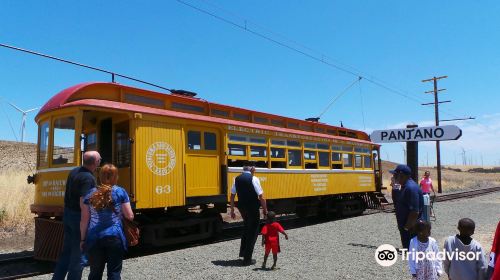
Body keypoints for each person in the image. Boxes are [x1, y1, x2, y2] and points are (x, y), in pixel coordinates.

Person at [80, 163, 134, 280]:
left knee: (95, 273)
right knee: (114, 272)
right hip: (114, 236)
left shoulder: (89, 194)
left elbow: (84, 220)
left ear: (100, 176)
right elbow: (129, 216)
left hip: (94, 238)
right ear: (115, 177)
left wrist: (82, 239)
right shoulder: (120, 192)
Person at [53, 151, 101, 280]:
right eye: (99, 159)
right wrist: (84, 231)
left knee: (66, 253)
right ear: (96, 162)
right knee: (78, 257)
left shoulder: (74, 171)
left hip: (68, 215)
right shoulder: (88, 178)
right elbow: (83, 204)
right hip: (78, 218)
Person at [230, 163, 268, 266]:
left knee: (246, 228)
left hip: (242, 208)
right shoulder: (254, 178)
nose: (255, 169)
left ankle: (243, 252)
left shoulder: (236, 179)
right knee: (253, 231)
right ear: (251, 168)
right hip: (252, 208)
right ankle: (247, 259)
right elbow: (261, 196)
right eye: (254, 167)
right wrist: (265, 210)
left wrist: (232, 210)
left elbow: (232, 196)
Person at [391, 164, 424, 249]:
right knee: (407, 249)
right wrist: (394, 186)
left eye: (394, 175)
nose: (393, 177)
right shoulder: (403, 186)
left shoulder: (410, 188)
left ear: (401, 175)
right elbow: (396, 199)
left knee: (411, 250)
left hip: (411, 228)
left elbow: (414, 212)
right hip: (406, 225)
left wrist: (406, 228)